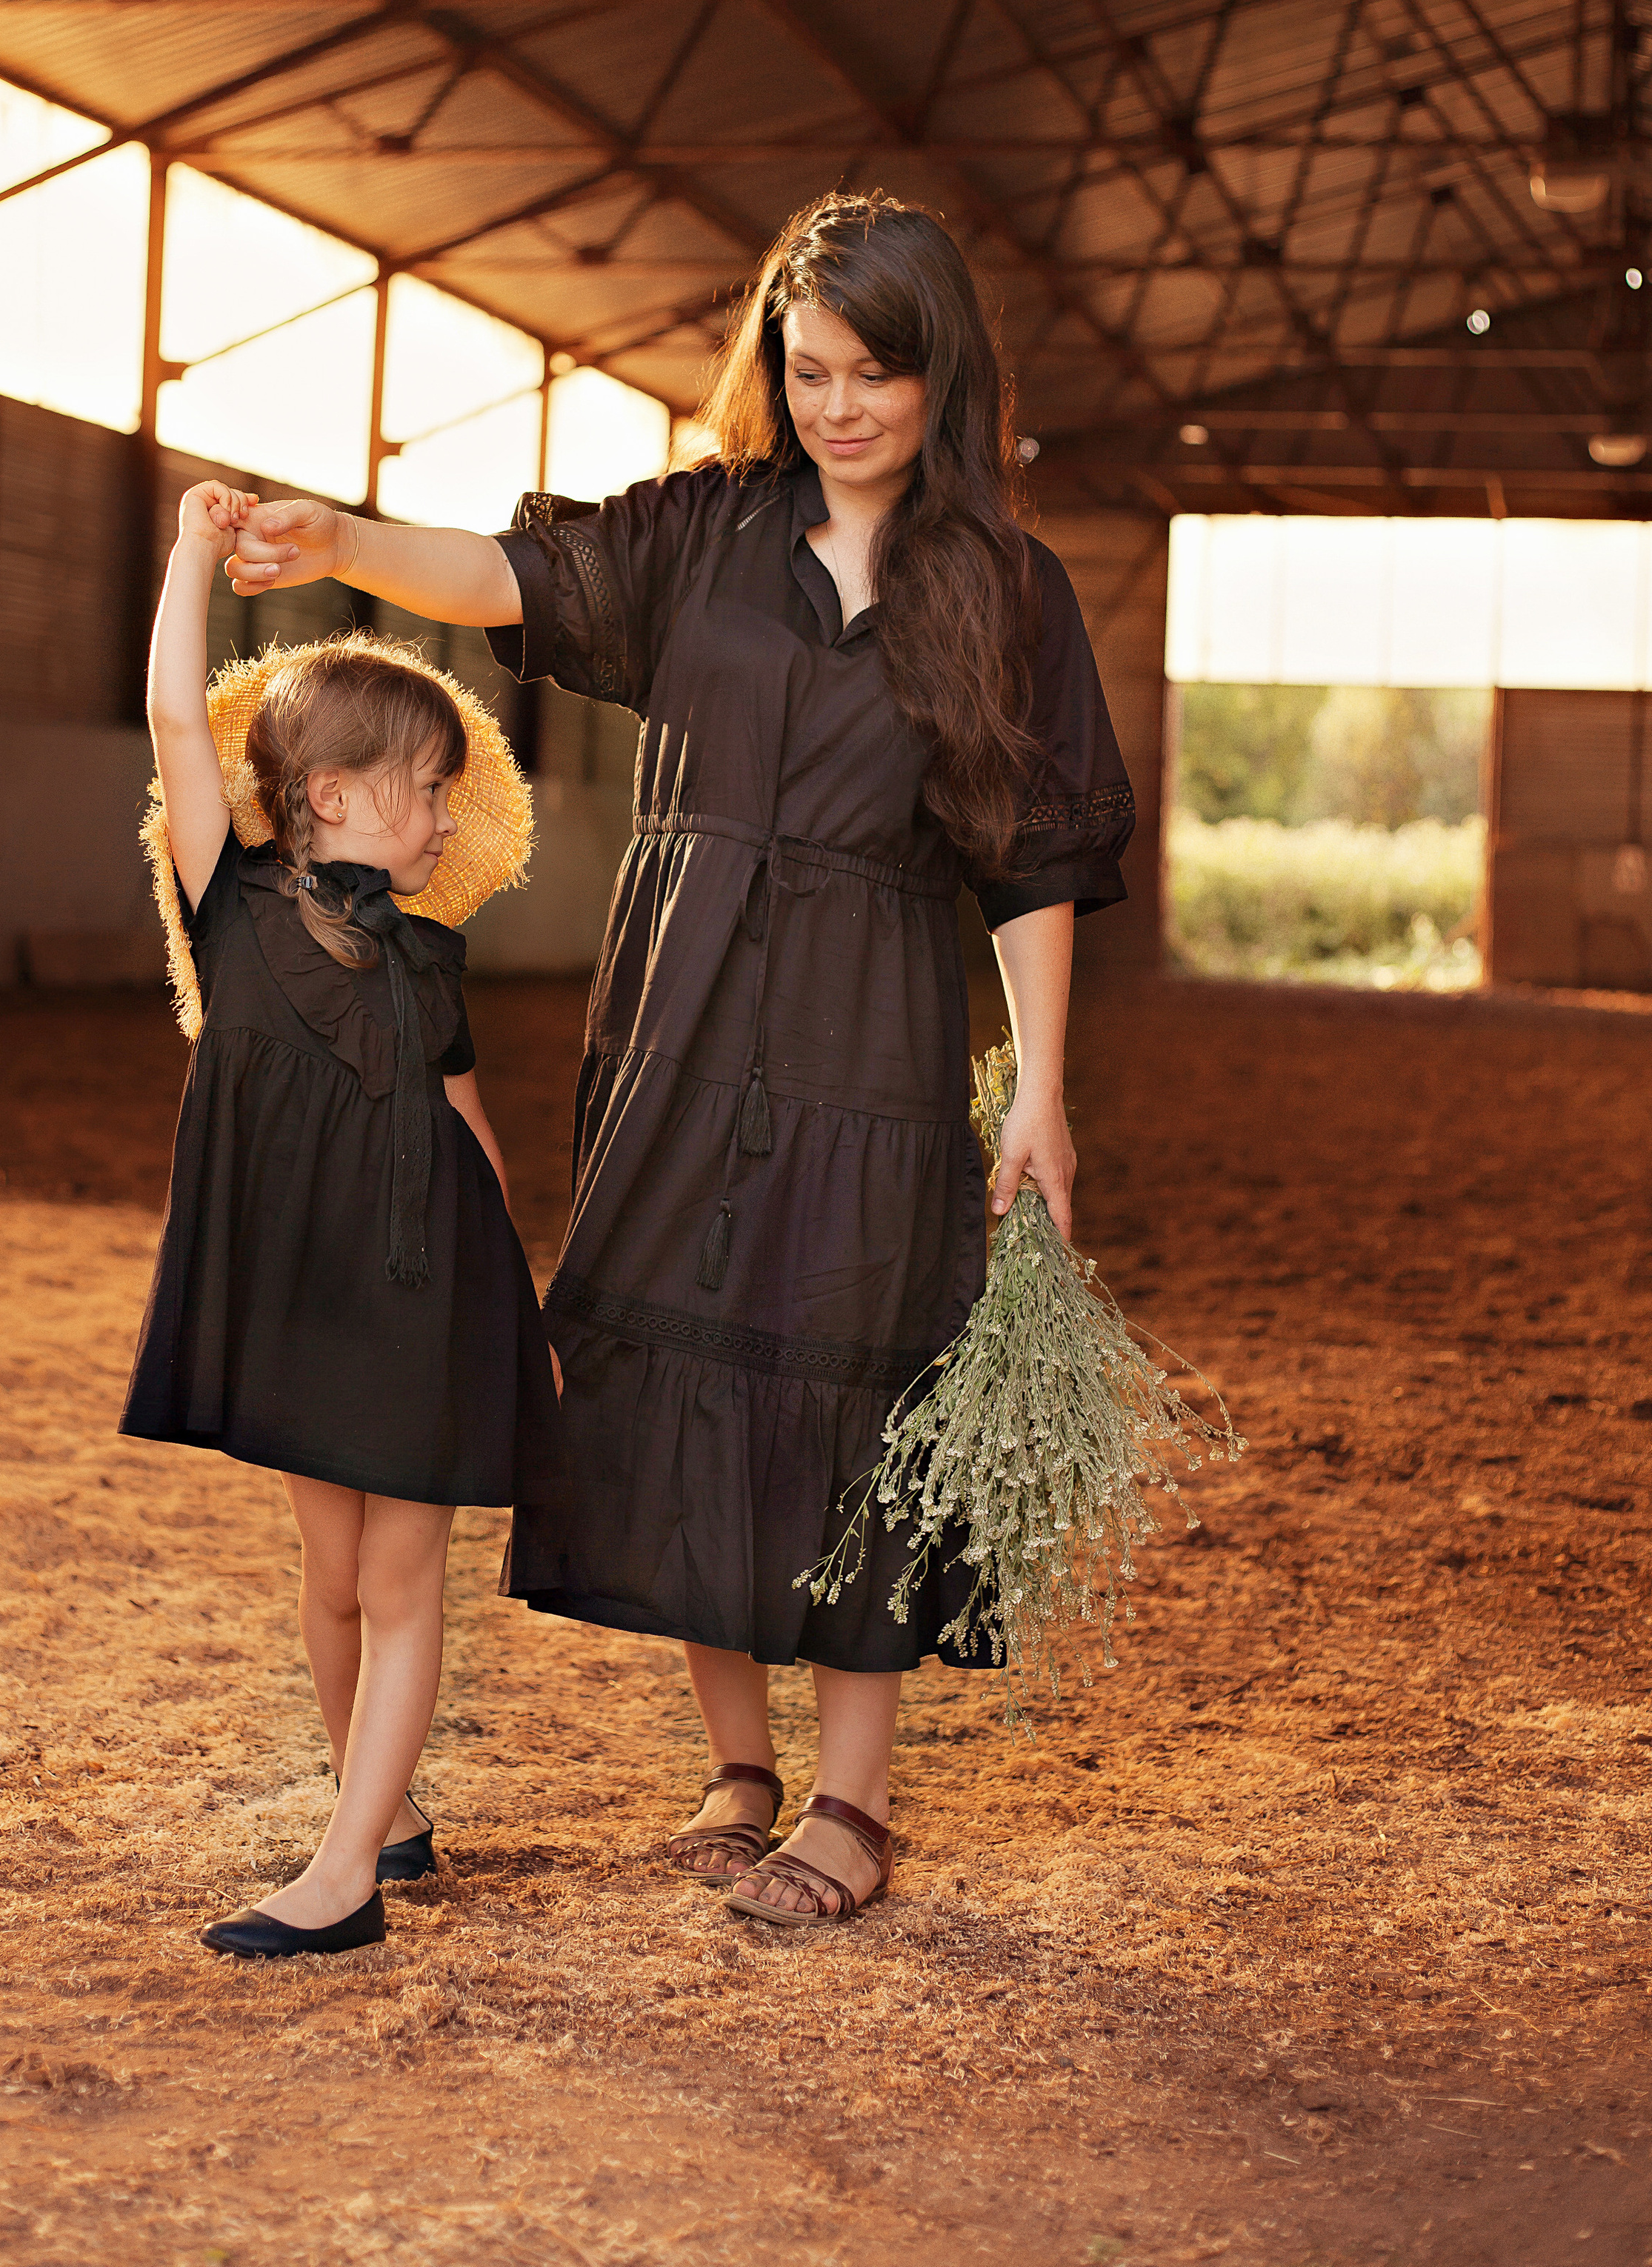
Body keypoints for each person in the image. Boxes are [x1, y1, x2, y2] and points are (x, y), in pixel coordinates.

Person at [225, 192, 1133, 1929]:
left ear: (943, 374)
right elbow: (507, 575)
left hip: (871, 1030)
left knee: (854, 1385)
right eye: (808, 371)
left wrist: (1037, 1088)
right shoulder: (702, 535)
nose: (840, 405)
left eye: (876, 372)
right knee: (683, 1372)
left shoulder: (1006, 592)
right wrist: (337, 531)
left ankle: (851, 1807)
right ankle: (737, 1767)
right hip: (679, 1019)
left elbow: (1030, 859)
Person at [119, 480, 556, 1960]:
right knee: (326, 1577)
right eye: (423, 787)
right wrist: (191, 556)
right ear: (327, 797)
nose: (443, 815)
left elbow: (469, 1133)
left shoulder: (431, 964)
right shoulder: (225, 906)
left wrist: (516, 1315)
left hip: (426, 1286)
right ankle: (383, 1803)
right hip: (299, 1292)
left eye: (446, 790)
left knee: (397, 1574)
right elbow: (183, 724)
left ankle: (344, 1871)